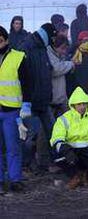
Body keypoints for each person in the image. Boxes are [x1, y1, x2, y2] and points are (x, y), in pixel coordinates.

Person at [20, 23, 57, 172]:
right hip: (30, 101)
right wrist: (25, 101)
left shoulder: (42, 48)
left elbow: (45, 72)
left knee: (53, 132)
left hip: (43, 100)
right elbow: (23, 76)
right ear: (46, 34)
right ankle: (25, 164)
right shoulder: (27, 47)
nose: (53, 40)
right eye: (52, 36)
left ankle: (50, 162)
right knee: (30, 135)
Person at [0, 26, 31, 193]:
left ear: (6, 40)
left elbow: (27, 83)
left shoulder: (18, 57)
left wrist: (26, 104)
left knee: (13, 147)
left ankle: (15, 179)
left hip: (11, 111)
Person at [47, 36, 74, 118]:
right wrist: (70, 64)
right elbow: (55, 70)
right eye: (63, 49)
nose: (65, 52)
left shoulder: (58, 54)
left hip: (61, 97)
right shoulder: (48, 54)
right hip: (52, 98)